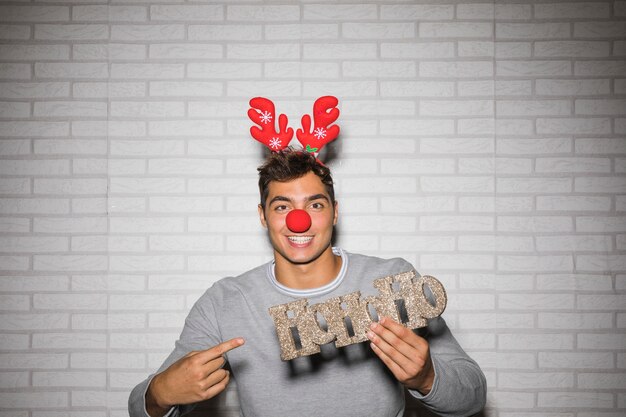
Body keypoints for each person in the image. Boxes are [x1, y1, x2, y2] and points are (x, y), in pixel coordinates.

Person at [128, 149, 487, 417]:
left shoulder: (391, 280)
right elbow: (140, 405)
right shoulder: (226, 301)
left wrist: (426, 377)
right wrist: (161, 392)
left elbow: (473, 395)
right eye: (282, 207)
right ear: (262, 216)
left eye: (315, 205)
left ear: (335, 211)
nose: (299, 221)